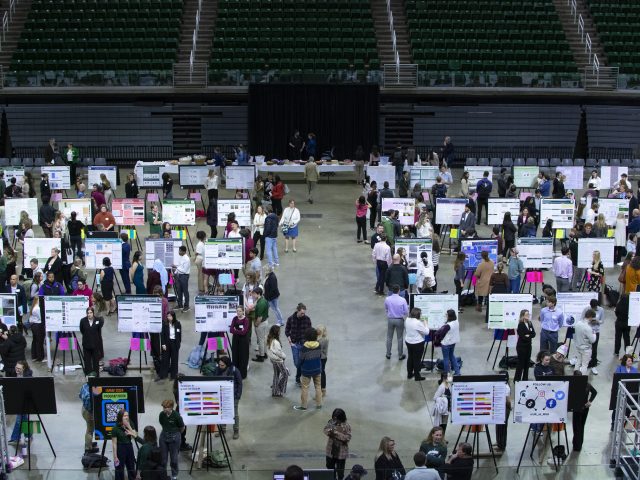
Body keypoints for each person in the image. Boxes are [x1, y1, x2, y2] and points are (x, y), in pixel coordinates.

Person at [210, 356, 242, 439]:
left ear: (227, 365)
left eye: (222, 365)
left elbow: (240, 383)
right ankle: (222, 430)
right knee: (222, 413)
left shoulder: (234, 370)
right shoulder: (217, 369)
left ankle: (236, 430)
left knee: (234, 414)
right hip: (221, 395)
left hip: (233, 396)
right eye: (219, 364)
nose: (220, 366)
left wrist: (237, 396)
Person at [293, 327, 323, 411]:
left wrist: (298, 365)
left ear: (306, 336)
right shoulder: (319, 345)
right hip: (317, 369)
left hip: (306, 371)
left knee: (305, 387)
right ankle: (319, 404)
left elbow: (301, 359)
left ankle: (304, 406)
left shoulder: (304, 348)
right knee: (318, 386)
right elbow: (320, 356)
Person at [285, 303, 312, 384]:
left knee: (302, 361)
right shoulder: (291, 319)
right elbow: (287, 330)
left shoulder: (307, 319)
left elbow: (310, 332)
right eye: (302, 313)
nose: (303, 314)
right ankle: (300, 375)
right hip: (295, 344)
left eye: (304, 313)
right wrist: (290, 341)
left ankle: (299, 377)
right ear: (297, 311)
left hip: (304, 344)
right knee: (297, 363)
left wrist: (308, 343)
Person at [158, 399, 184, 480]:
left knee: (174, 459)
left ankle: (174, 475)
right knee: (163, 459)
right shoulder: (161, 415)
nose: (165, 409)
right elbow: (162, 423)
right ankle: (163, 475)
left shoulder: (176, 416)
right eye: (164, 407)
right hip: (164, 436)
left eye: (167, 407)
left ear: (171, 407)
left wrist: (176, 434)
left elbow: (182, 427)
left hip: (175, 437)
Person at [323, 408, 352, 480]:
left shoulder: (346, 426)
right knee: (329, 468)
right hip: (331, 450)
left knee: (340, 471)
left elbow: (347, 438)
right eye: (334, 418)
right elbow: (325, 429)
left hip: (341, 452)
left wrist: (336, 434)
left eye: (336, 419)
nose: (335, 420)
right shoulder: (331, 422)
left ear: (341, 418)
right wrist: (329, 432)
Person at [384, 285, 408, 360]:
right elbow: (406, 311)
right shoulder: (402, 300)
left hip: (390, 319)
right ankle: (400, 355)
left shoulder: (387, 299)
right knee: (400, 338)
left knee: (389, 337)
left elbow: (386, 308)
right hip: (399, 320)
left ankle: (388, 353)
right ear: (399, 291)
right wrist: (402, 313)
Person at [112, 409, 137, 480]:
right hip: (120, 448)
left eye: (127, 415)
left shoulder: (130, 423)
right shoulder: (115, 428)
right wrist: (115, 456)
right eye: (125, 416)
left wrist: (129, 426)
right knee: (119, 468)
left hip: (129, 446)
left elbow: (135, 436)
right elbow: (114, 444)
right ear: (120, 417)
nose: (127, 417)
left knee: (131, 466)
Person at [79, 307, 104, 376]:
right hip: (86, 345)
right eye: (88, 313)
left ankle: (96, 376)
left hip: (95, 345)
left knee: (96, 362)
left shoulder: (98, 320)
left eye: (91, 313)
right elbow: (82, 330)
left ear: (93, 313)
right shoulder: (83, 320)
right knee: (87, 362)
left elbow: (99, 332)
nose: (89, 314)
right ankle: (88, 376)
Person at [405, 307, 428, 381]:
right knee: (417, 360)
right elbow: (426, 332)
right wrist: (425, 324)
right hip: (417, 343)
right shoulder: (417, 323)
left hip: (408, 341)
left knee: (410, 358)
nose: (421, 315)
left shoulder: (407, 319)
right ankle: (417, 376)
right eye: (420, 314)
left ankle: (409, 374)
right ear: (418, 314)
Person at [158, 311, 181, 382]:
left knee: (174, 360)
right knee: (165, 359)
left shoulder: (177, 324)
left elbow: (179, 334)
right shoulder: (165, 324)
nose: (168, 318)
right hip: (167, 343)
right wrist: (163, 344)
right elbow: (162, 335)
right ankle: (163, 374)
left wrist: (178, 344)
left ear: (173, 317)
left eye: (170, 316)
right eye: (168, 316)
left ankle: (173, 375)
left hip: (174, 343)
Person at [266, 325, 288, 397]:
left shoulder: (270, 339)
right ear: (277, 333)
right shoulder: (276, 342)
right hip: (278, 361)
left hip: (273, 360)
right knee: (285, 374)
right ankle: (278, 388)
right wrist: (284, 356)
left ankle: (275, 390)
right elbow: (279, 353)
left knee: (276, 374)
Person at [515, 310, 536, 381]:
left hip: (528, 346)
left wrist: (528, 335)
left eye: (528, 314)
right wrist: (529, 336)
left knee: (527, 364)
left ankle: (525, 379)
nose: (528, 316)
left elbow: (534, 334)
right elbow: (522, 337)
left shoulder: (530, 323)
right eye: (526, 315)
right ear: (523, 316)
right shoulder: (520, 324)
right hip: (521, 347)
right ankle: (517, 380)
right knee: (521, 364)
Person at [230, 306, 250, 379]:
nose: (238, 312)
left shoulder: (246, 320)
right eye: (237, 311)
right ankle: (235, 373)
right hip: (235, 340)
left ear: (243, 311)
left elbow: (244, 332)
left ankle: (242, 375)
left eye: (240, 311)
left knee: (243, 357)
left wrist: (236, 331)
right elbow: (231, 330)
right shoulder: (235, 318)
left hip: (243, 341)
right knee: (235, 356)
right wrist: (239, 331)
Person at [251, 287, 270, 362]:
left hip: (261, 324)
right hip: (265, 322)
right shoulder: (263, 300)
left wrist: (256, 324)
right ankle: (264, 353)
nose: (252, 295)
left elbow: (260, 317)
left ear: (258, 294)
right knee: (264, 339)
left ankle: (261, 356)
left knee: (260, 340)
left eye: (254, 294)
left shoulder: (261, 303)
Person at [441, 309, 461, 375]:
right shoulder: (456, 321)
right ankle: (457, 372)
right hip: (453, 342)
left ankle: (447, 373)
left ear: (449, 316)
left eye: (446, 314)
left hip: (446, 343)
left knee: (446, 358)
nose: (445, 315)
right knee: (452, 356)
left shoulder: (448, 325)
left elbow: (440, 333)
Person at [79, 377, 96, 453]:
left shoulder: (84, 386)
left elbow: (80, 396)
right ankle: (88, 448)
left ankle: (89, 443)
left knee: (89, 428)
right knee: (90, 430)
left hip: (83, 409)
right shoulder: (90, 395)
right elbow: (90, 407)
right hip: (88, 412)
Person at [172, 246, 190, 312]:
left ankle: (186, 306)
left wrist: (176, 267)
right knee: (179, 290)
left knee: (185, 291)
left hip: (184, 276)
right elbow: (179, 266)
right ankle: (180, 304)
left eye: (180, 251)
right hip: (179, 275)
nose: (179, 252)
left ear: (184, 251)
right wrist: (175, 273)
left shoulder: (187, 259)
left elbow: (184, 270)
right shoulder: (181, 257)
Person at [317, 325, 329, 396]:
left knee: (321, 373)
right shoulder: (321, 338)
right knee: (321, 372)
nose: (316, 331)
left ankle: (323, 389)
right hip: (322, 357)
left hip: (322, 358)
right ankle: (322, 389)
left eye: (318, 330)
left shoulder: (323, 340)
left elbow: (318, 349)